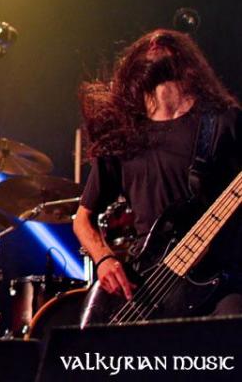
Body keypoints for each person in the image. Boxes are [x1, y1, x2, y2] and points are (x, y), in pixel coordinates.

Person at [73, 29, 242, 318]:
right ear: (131, 67)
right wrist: (103, 259)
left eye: (166, 40)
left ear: (189, 61)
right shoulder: (122, 135)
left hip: (218, 279)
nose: (156, 38)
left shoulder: (224, 121)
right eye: (149, 40)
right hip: (145, 288)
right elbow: (82, 220)